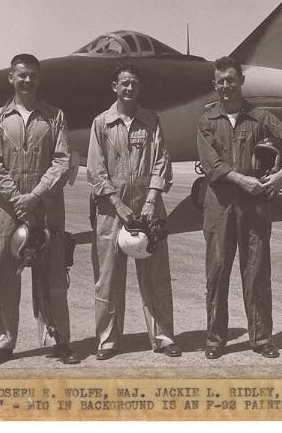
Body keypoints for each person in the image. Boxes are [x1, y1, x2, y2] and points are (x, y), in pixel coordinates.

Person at [196, 56, 282, 359]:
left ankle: (261, 338)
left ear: (241, 81)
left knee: (256, 273)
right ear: (214, 85)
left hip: (255, 208)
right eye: (220, 81)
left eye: (231, 79)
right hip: (220, 208)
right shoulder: (206, 122)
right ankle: (216, 340)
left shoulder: (261, 117)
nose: (226, 86)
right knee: (216, 273)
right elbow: (211, 164)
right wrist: (242, 180)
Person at [0, 53, 79, 367]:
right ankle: (1, 343)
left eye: (32, 76)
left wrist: (35, 196)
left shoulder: (54, 116)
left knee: (53, 276)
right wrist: (18, 202)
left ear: (39, 79)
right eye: (21, 75)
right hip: (8, 212)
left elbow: (62, 160)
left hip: (47, 208)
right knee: (4, 277)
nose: (27, 80)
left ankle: (58, 340)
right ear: (11, 78)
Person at [86, 63, 180, 360]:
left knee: (156, 276)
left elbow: (162, 160)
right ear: (114, 86)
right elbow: (96, 169)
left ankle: (163, 337)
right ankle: (108, 341)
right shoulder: (101, 123)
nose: (129, 89)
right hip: (111, 210)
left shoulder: (151, 121)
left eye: (134, 84)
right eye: (124, 83)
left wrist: (152, 199)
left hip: (148, 205)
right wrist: (117, 203)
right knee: (108, 277)